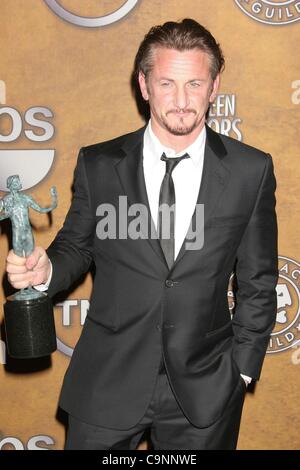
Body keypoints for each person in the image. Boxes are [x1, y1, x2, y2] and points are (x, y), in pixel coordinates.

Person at [5, 19, 278, 450]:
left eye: (195, 83)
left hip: (206, 388)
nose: (183, 101)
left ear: (214, 85)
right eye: (167, 83)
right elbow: (75, 247)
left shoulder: (250, 170)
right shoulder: (99, 164)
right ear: (144, 84)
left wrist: (241, 369)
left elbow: (260, 281)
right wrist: (45, 269)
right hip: (108, 379)